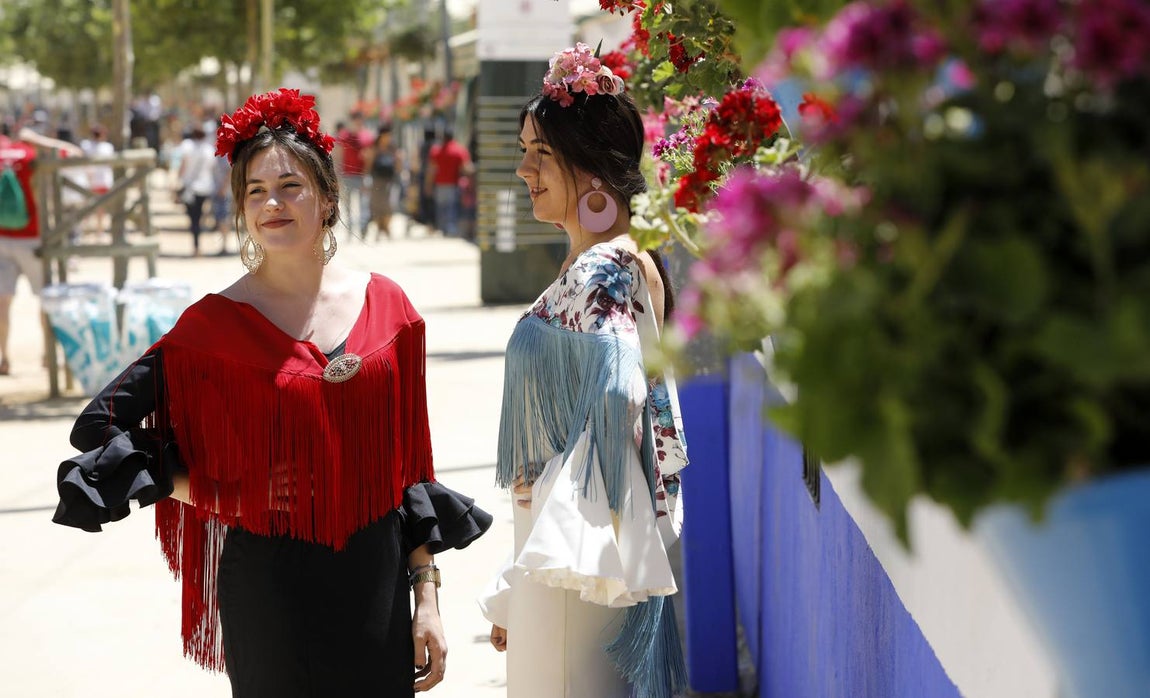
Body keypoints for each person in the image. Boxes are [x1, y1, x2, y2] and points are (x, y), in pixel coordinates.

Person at [52, 88, 492, 696]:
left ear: (329, 198)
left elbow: (410, 468)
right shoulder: (210, 326)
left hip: (377, 580)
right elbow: (98, 425)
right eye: (255, 191)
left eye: (290, 186)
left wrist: (428, 597)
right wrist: (216, 491)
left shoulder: (392, 310)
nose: (272, 204)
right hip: (268, 589)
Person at [478, 44, 689, 698]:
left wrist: (543, 565)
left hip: (579, 554)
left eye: (541, 153)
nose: (523, 169)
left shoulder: (607, 269)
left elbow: (619, 401)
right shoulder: (614, 262)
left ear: (594, 164)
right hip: (572, 548)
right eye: (524, 151)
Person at [0, 124, 82, 376]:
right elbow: (74, 153)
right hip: (32, 236)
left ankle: (4, 357)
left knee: (2, 304)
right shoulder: (28, 153)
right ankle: (48, 355)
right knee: (45, 299)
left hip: (2, 238)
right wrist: (37, 139)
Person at [424, 126, 472, 238]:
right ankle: (450, 229)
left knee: (441, 208)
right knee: (452, 207)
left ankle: (443, 229)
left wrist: (428, 185)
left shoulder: (436, 150)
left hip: (440, 184)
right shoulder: (459, 150)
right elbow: (466, 168)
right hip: (453, 185)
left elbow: (431, 170)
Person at [176, 126, 216, 257]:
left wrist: (178, 180)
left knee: (193, 217)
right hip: (204, 187)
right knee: (198, 216)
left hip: (190, 187)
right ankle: (197, 245)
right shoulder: (209, 149)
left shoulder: (187, 146)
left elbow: (182, 165)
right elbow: (212, 168)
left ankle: (196, 246)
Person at [337, 112, 373, 241]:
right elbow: (339, 155)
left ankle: (363, 229)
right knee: (348, 206)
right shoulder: (344, 136)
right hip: (347, 175)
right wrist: (338, 174)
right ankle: (350, 232)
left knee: (363, 204)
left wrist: (367, 174)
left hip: (362, 176)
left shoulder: (367, 136)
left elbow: (370, 156)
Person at [367, 122, 402, 240]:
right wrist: (366, 177)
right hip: (377, 180)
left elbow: (398, 164)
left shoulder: (393, 148)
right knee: (377, 205)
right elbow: (369, 163)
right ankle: (379, 229)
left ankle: (386, 228)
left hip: (389, 180)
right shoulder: (375, 148)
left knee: (389, 205)